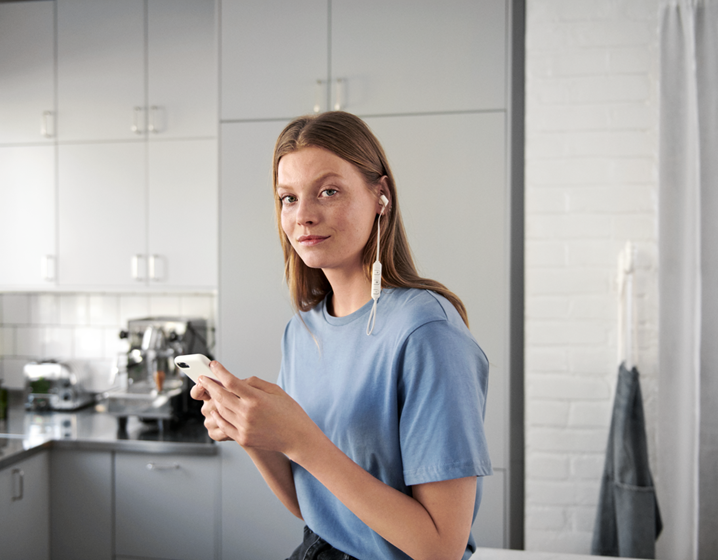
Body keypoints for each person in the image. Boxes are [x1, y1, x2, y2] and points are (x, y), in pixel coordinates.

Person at [191, 111, 492, 560]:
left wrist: (300, 440)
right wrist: (254, 434)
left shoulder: (426, 333)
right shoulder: (302, 330)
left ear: (381, 196)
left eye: (328, 192)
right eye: (287, 198)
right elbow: (316, 509)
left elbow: (440, 549)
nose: (304, 216)